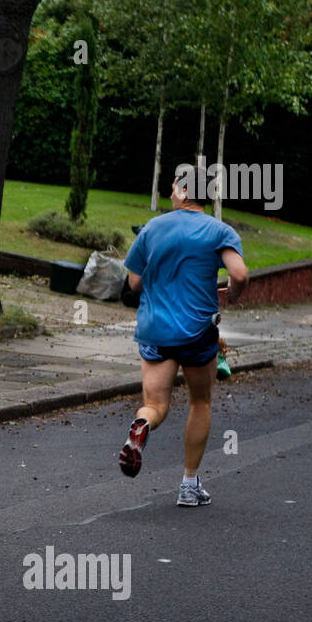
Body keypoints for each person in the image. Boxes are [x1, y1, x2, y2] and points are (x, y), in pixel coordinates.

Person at [118, 178, 249, 505]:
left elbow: (133, 282)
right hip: (197, 333)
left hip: (155, 331)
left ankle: (141, 426)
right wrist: (232, 293)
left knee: (155, 406)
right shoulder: (219, 232)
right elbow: (240, 274)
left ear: (187, 191)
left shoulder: (152, 228)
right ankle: (189, 486)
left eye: (174, 186)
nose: (170, 192)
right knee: (199, 403)